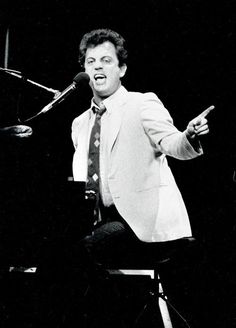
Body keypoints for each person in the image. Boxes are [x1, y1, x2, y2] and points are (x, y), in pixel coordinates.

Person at [71, 28, 213, 268]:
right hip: (98, 221)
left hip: (142, 224)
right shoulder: (80, 123)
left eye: (106, 61)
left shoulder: (142, 104)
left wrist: (189, 136)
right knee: (54, 249)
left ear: (122, 69)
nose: (97, 67)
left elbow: (172, 144)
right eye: (91, 61)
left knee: (82, 252)